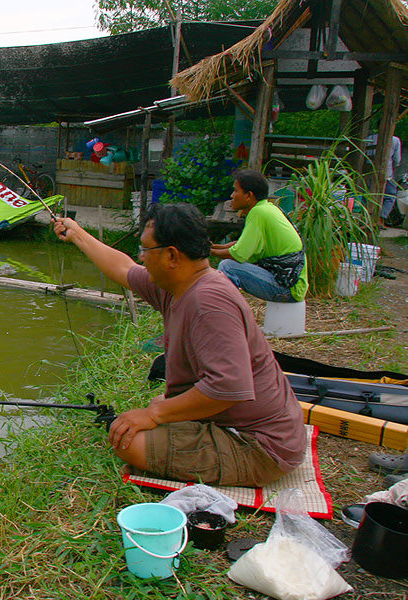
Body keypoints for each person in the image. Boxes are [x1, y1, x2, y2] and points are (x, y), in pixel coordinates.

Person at [53, 203, 307, 487]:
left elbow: (229, 388)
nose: (141, 258)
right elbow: (123, 268)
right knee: (158, 406)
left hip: (259, 447)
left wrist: (153, 415)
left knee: (129, 442)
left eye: (146, 251)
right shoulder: (178, 285)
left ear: (172, 255)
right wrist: (76, 234)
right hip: (242, 425)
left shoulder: (209, 302)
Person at [211, 169, 308, 303]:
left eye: (236, 191)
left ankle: (227, 311)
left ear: (248, 195)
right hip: (291, 285)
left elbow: (239, 253)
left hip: (287, 289)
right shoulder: (267, 208)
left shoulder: (257, 213)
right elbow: (243, 245)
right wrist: (216, 247)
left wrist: (208, 252)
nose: (232, 195)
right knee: (228, 265)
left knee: (228, 267)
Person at [368, 132, 402, 227]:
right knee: (390, 195)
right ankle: (381, 217)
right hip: (386, 172)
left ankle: (368, 216)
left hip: (368, 172)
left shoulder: (370, 138)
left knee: (369, 194)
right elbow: (397, 160)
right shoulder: (395, 140)